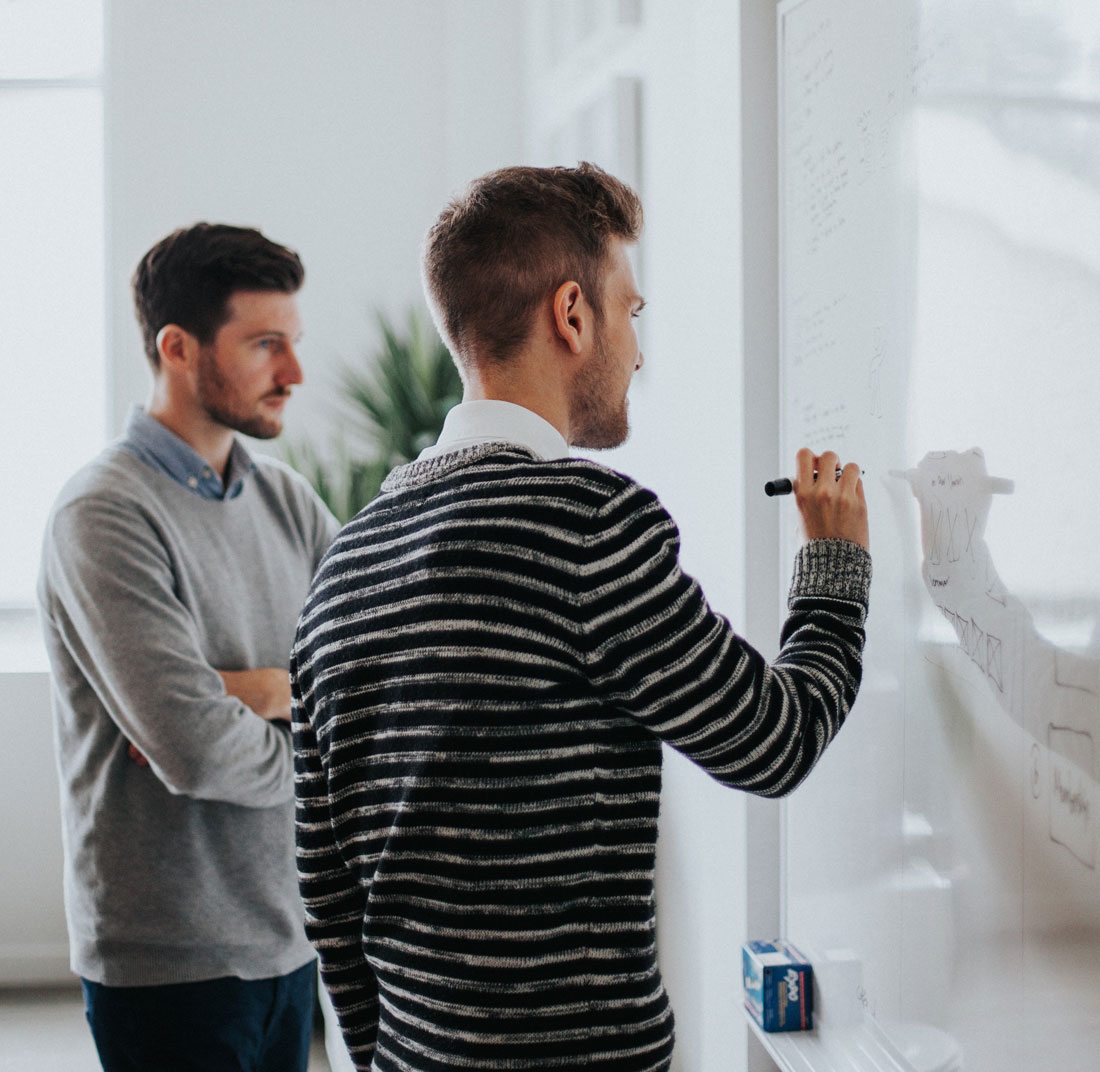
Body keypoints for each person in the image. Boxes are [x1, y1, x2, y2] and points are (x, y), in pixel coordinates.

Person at [291, 164, 871, 1072]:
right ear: (572, 314)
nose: (637, 350)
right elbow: (776, 741)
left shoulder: (344, 565)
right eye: (630, 313)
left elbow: (326, 893)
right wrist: (835, 562)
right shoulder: (586, 527)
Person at [38, 223, 340, 1072]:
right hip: (170, 962)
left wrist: (249, 690)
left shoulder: (288, 501)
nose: (295, 374)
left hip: (291, 938)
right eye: (265, 345)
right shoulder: (102, 514)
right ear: (178, 347)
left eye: (295, 342)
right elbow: (197, 750)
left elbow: (366, 680)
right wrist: (291, 713)